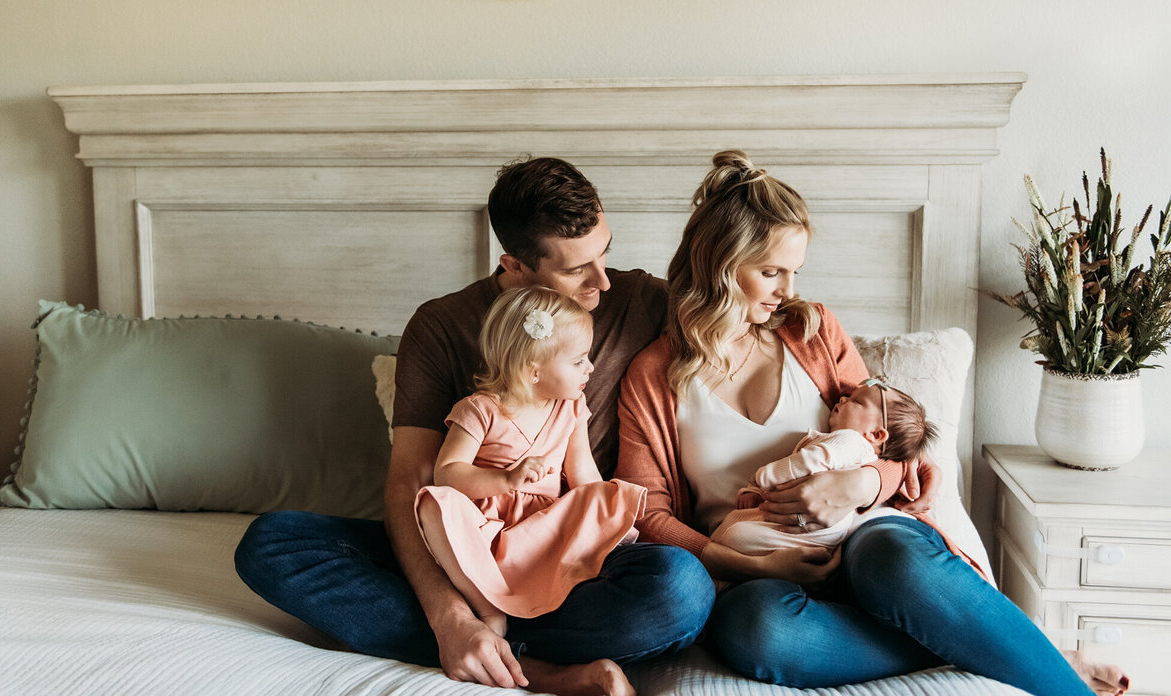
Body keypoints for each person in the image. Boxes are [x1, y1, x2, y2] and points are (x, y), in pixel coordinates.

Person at [614, 149, 1130, 696]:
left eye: (795, 271)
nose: (788, 289)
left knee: (895, 558)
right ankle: (1014, 646)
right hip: (753, 566)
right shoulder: (652, 377)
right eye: (770, 272)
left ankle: (1047, 676)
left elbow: (901, 451)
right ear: (719, 262)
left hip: (863, 534)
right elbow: (648, 514)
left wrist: (858, 483)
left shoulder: (812, 333)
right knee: (758, 631)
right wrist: (756, 568)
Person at [235, 156, 713, 696]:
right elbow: (414, 482)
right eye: (576, 270)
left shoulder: (639, 301)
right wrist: (449, 618)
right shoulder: (441, 325)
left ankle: (496, 643)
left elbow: (744, 305)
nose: (601, 281)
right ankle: (527, 662)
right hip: (465, 546)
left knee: (682, 589)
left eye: (604, 253)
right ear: (514, 266)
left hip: (569, 553)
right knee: (273, 543)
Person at [415, 285, 647, 638]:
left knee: (602, 497)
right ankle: (486, 606)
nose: (591, 367)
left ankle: (561, 595)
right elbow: (446, 473)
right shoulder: (480, 410)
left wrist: (610, 519)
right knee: (434, 503)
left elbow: (583, 472)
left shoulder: (570, 408)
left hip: (543, 529)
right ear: (532, 371)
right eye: (578, 360)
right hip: (486, 530)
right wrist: (506, 481)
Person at [710, 377, 936, 556]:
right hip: (819, 531)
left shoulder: (849, 440)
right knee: (736, 532)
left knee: (734, 535)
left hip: (814, 529)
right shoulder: (854, 447)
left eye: (855, 401)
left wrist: (761, 479)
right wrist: (756, 493)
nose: (843, 399)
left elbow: (807, 462)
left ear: (876, 434)